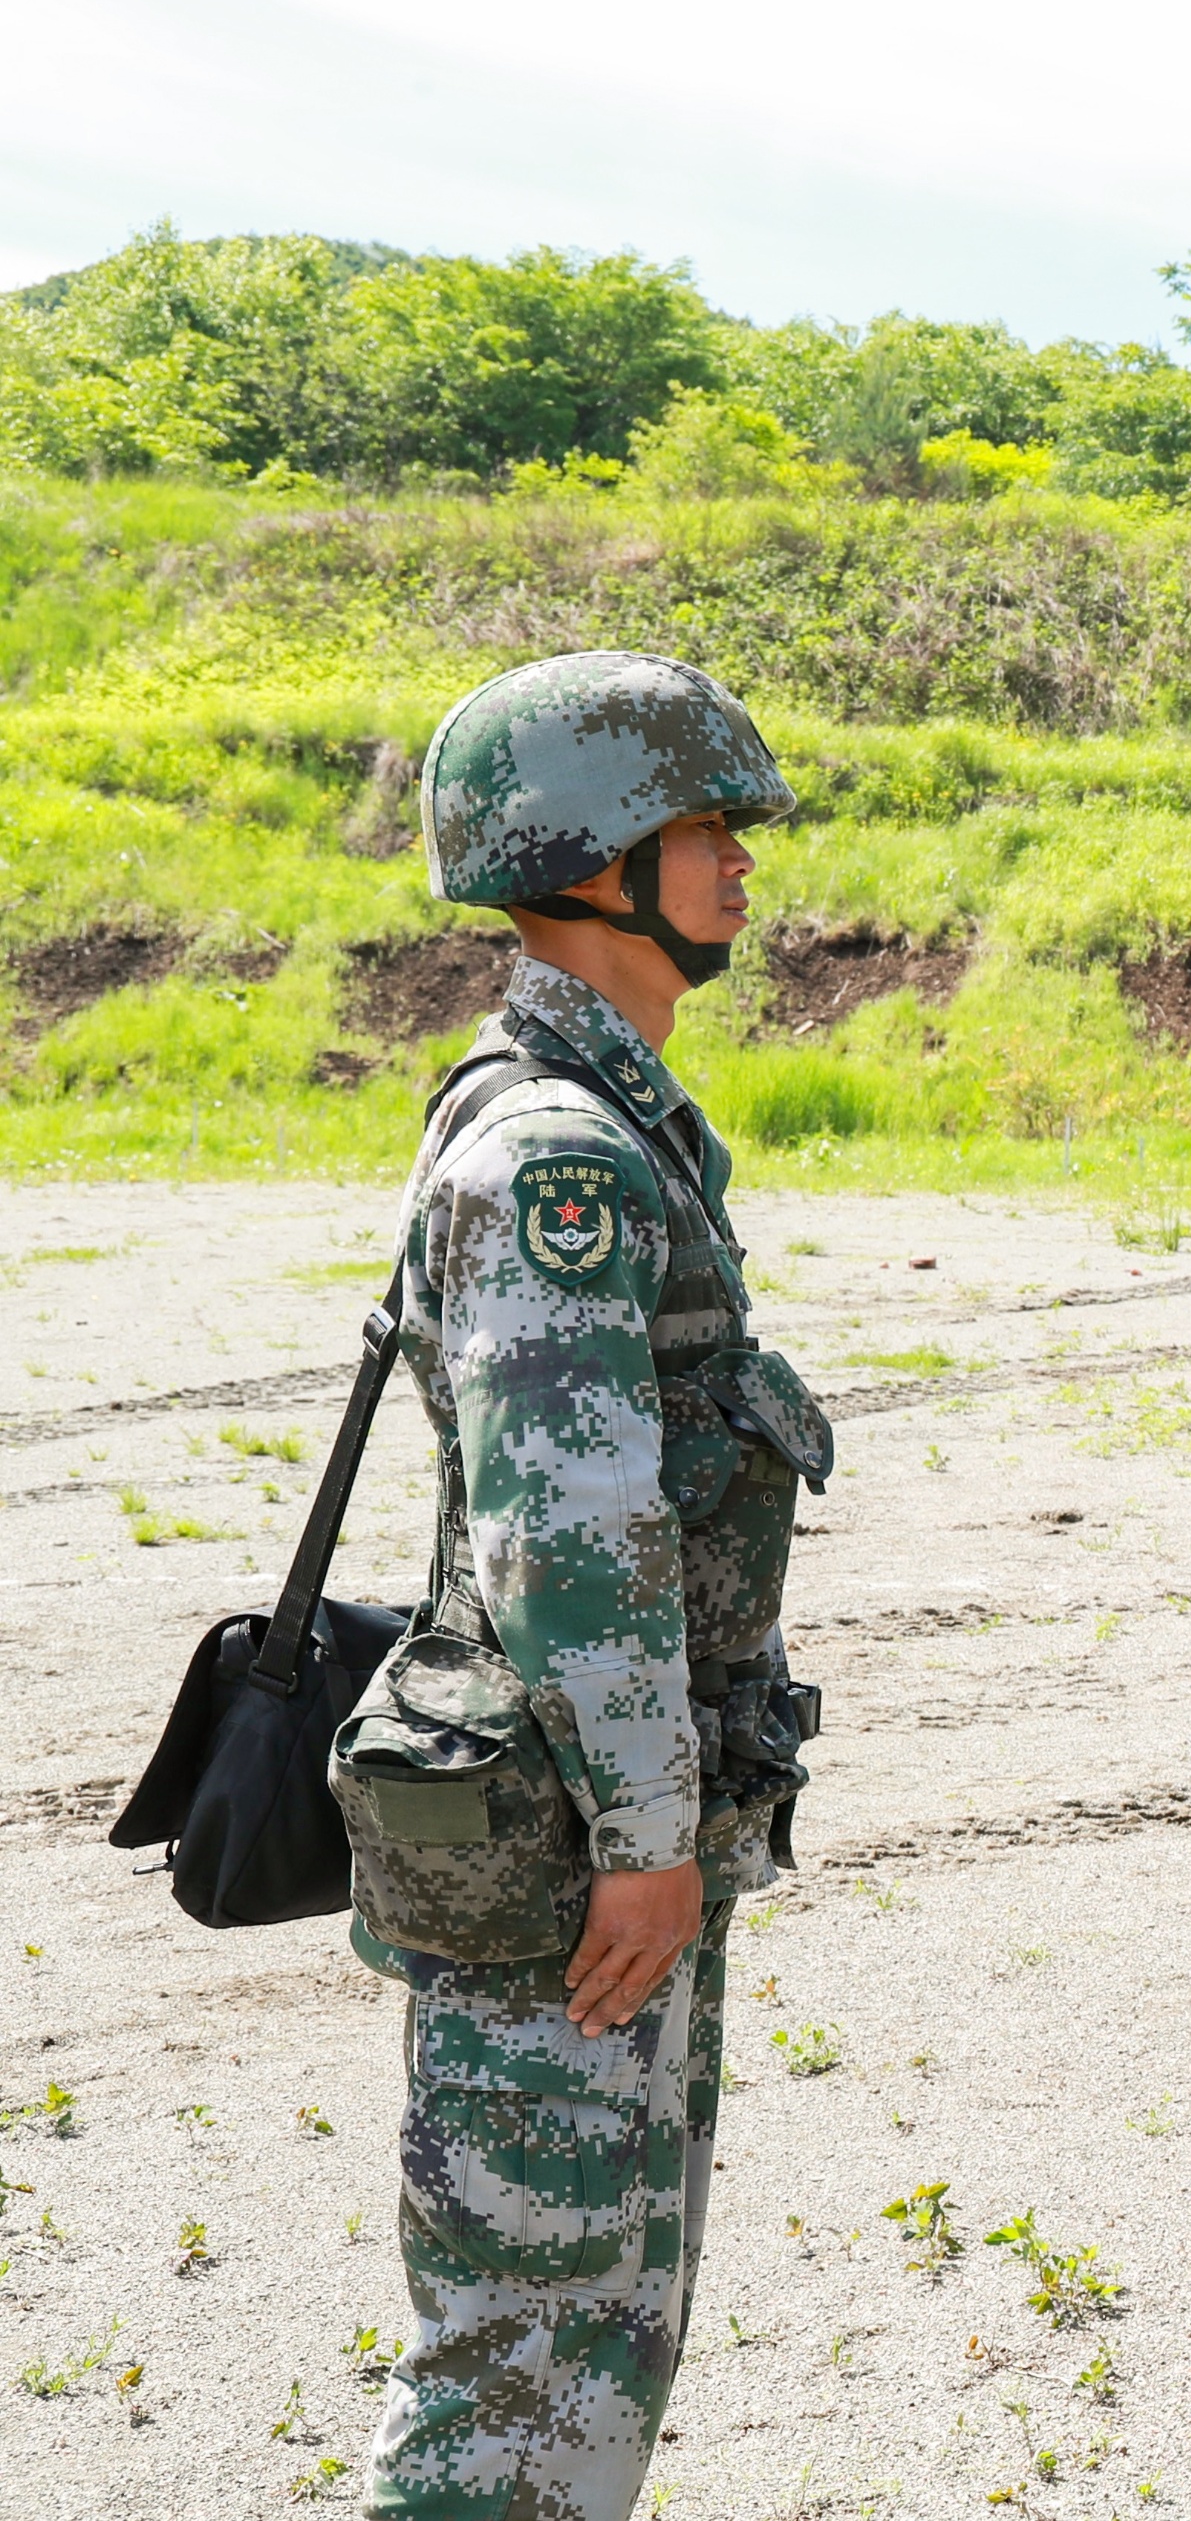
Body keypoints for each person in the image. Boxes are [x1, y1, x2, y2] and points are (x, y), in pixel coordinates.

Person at [358, 650, 834, 2521]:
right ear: (586, 854)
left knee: (594, 2350)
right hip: (572, 1848)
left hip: (605, 1831)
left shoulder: (608, 1117)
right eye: (699, 824)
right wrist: (648, 1826)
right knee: (525, 2369)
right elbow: (566, 1531)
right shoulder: (560, 1148)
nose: (737, 861)